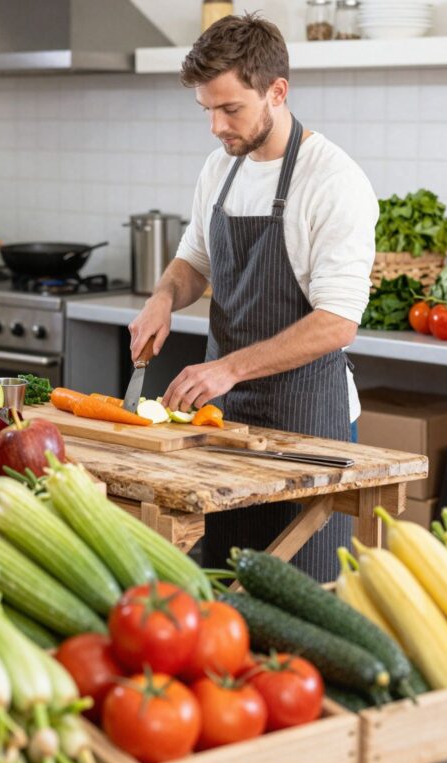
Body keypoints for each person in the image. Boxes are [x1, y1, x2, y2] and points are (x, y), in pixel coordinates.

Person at [128, 14, 377, 580]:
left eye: (230, 109)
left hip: (308, 428)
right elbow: (194, 262)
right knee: (228, 589)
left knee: (306, 600)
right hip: (224, 425)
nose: (216, 126)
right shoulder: (220, 168)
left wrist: (229, 368)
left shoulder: (333, 180)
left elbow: (338, 322)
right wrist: (163, 297)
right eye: (207, 110)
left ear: (277, 91)